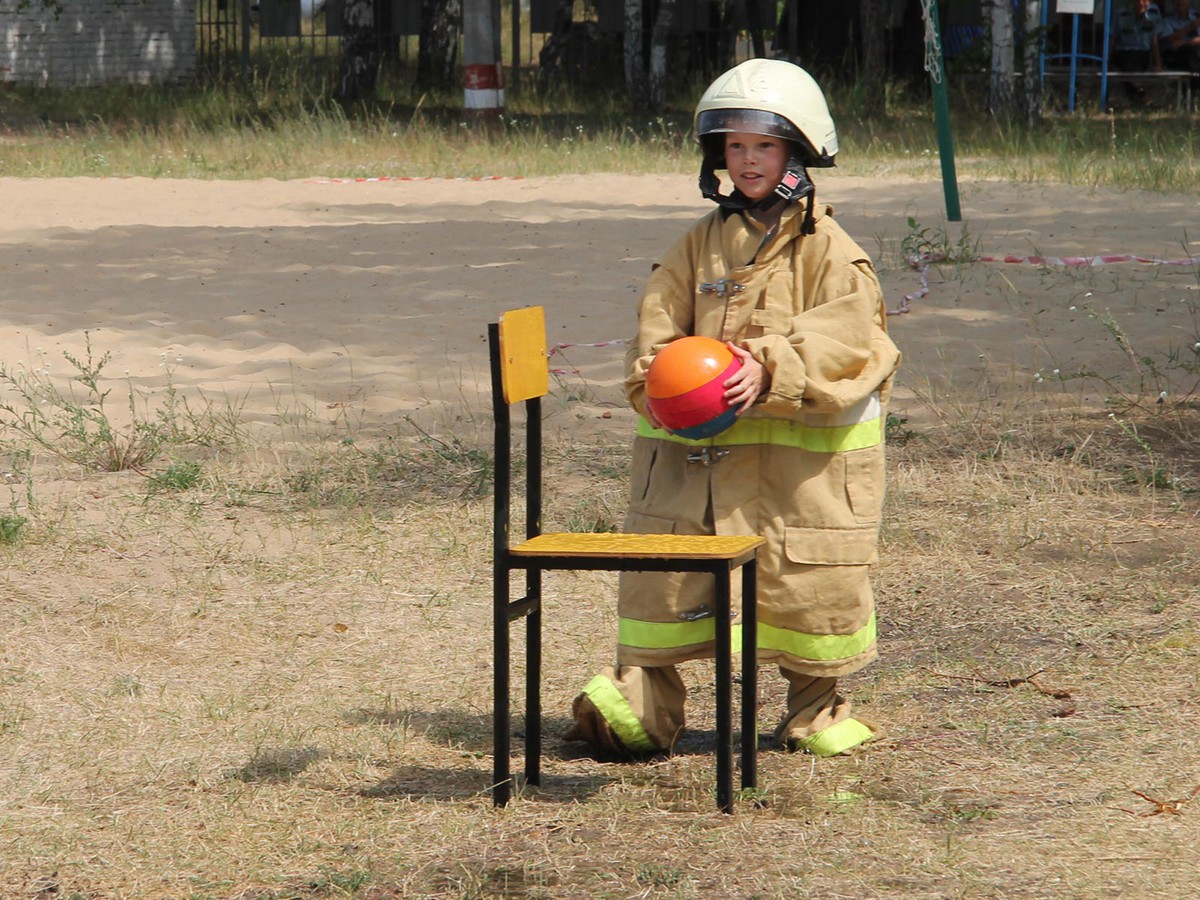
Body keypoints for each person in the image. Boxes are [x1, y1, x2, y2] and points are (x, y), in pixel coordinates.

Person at [565, 59, 902, 759]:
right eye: (735, 146)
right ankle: (642, 704)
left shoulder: (831, 252)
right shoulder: (695, 246)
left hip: (799, 481)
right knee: (667, 585)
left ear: (799, 152)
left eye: (765, 146)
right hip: (693, 469)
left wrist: (771, 367)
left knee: (807, 589)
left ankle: (817, 708)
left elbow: (853, 337)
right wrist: (660, 386)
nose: (747, 161)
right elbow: (654, 335)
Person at [1111, 0, 1164, 103]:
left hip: (1142, 54)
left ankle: (1138, 93)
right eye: (1137, 1)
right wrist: (1106, 61)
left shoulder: (1153, 13)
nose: (1141, 4)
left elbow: (1154, 41)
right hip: (1124, 52)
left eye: (1144, 1)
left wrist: (1158, 64)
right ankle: (1140, 92)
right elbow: (1112, 38)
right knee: (1126, 60)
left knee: (1130, 66)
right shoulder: (1121, 12)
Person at [1156, 0, 1200, 72]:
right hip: (1176, 57)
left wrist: (1184, 42)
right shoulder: (1167, 20)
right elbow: (1168, 41)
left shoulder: (1197, 16)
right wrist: (1189, 27)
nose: (1180, 2)